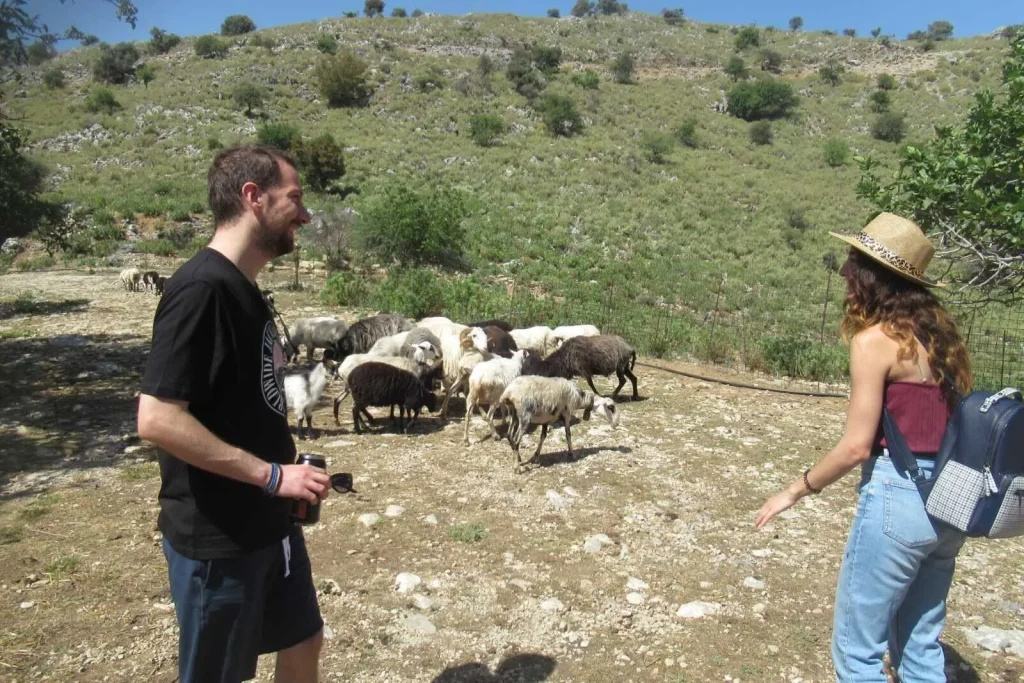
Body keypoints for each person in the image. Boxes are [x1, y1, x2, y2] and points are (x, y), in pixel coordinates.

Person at [137, 144, 330, 683]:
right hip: (219, 536)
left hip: (270, 519)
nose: (306, 215)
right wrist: (272, 476)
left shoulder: (244, 290)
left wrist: (286, 480)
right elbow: (156, 418)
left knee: (304, 639)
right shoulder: (201, 290)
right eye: (295, 199)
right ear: (252, 197)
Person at [754, 213, 972, 682]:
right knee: (920, 642)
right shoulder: (944, 339)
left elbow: (856, 447)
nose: (845, 273)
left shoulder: (875, 342)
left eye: (854, 263)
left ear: (874, 277)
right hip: (951, 501)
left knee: (858, 653)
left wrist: (794, 490)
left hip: (899, 497)